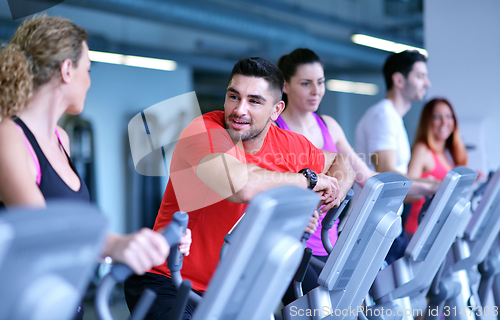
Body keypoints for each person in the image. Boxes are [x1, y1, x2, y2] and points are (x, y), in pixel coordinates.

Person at [124, 56, 355, 319]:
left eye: (254, 101)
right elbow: (241, 185)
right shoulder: (204, 132)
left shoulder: (290, 145)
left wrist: (320, 200)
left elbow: (341, 161)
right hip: (170, 281)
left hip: (231, 290)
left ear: (276, 110)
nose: (239, 110)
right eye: (234, 97)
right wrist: (309, 181)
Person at [0, 15, 191, 319]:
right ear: (67, 70)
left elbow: (74, 236)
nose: (89, 81)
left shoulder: (60, 139)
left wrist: (149, 245)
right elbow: (43, 230)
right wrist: (115, 243)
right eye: (87, 70)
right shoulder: (9, 135)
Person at [275, 48, 376, 304]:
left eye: (320, 82)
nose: (316, 91)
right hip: (295, 247)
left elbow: (363, 174)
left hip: (330, 245)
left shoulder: (328, 125)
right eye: (306, 83)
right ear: (285, 85)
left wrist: (405, 189)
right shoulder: (275, 130)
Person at [355, 50, 437, 263]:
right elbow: (389, 177)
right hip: (372, 229)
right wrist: (431, 184)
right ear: (399, 80)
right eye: (420, 76)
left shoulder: (394, 118)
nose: (426, 83)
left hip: (388, 226)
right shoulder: (383, 116)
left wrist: (434, 187)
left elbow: (401, 189)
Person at [404, 98, 468, 235]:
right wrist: (430, 186)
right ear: (428, 121)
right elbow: (406, 193)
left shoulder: (446, 154)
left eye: (448, 116)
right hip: (418, 231)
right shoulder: (423, 149)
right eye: (437, 117)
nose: (444, 122)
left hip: (436, 231)